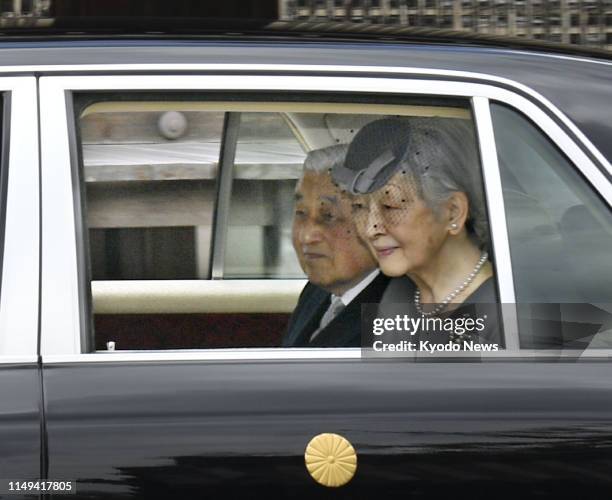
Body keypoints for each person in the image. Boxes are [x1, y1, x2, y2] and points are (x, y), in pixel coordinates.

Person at [332, 118, 501, 346]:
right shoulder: (399, 295)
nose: (371, 229)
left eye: (391, 205)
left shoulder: (509, 310)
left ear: (453, 212)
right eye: (359, 207)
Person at [282, 144, 390, 347]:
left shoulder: (412, 308)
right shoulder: (317, 292)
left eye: (328, 216)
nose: (307, 235)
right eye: (301, 213)